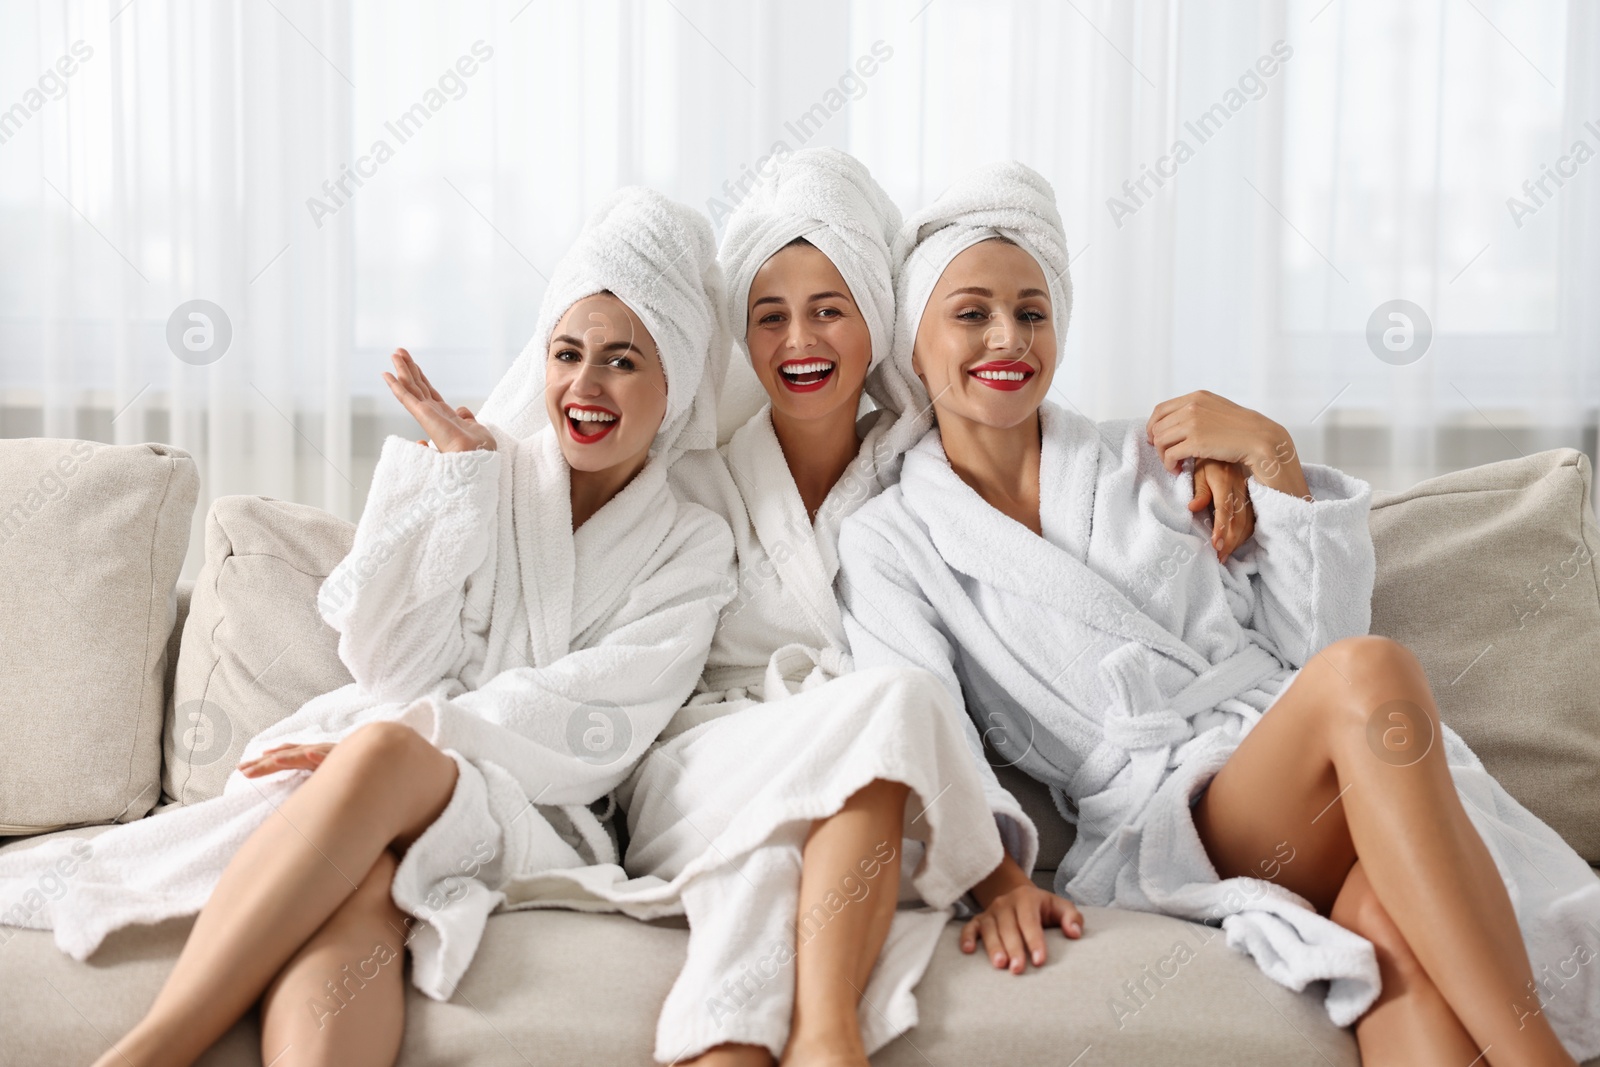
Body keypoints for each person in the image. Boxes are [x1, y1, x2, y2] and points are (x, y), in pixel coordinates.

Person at [837, 160, 1600, 1066]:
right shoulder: (890, 537)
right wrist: (994, 872)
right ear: (913, 347)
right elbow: (916, 714)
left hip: (1298, 780)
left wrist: (1271, 455)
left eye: (1032, 311)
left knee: (1388, 929)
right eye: (971, 312)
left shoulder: (1156, 458)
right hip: (1170, 817)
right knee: (1374, 672)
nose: (1008, 335)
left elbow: (1312, 651)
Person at [0, 187, 737, 1067]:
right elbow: (387, 658)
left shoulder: (693, 543)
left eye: (623, 361)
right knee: (364, 890)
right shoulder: (480, 471)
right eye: (567, 352)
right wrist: (454, 483)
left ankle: (151, 1051)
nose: (584, 385)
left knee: (384, 751)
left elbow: (599, 726)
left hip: (540, 807)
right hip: (389, 779)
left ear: (677, 378)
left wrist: (400, 748)